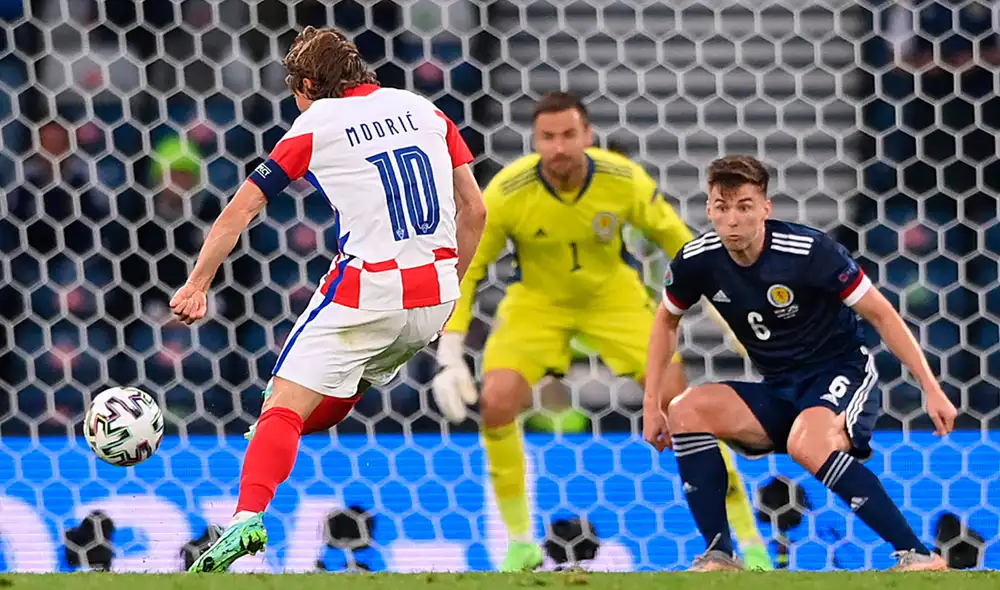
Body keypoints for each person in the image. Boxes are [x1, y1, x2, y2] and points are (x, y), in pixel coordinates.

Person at [169, 26, 487, 572]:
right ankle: (276, 432)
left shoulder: (314, 122)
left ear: (309, 84)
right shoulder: (425, 109)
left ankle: (247, 514)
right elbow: (475, 210)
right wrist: (453, 281)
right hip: (435, 293)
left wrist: (197, 283)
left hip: (370, 286)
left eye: (294, 88)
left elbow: (242, 208)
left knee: (283, 403)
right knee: (346, 379)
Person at [431, 92, 772, 571]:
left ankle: (747, 542)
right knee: (497, 400)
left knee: (684, 408)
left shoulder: (622, 179)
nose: (559, 147)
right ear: (535, 141)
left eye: (569, 135)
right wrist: (449, 351)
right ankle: (520, 544)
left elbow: (682, 245)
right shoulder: (508, 191)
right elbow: (470, 269)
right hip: (537, 304)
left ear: (587, 136)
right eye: (548, 137)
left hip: (614, 299)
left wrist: (736, 317)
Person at [644, 155, 958, 572]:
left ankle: (917, 553)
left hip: (840, 372)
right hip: (779, 387)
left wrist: (930, 388)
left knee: (806, 443)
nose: (732, 220)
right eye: (722, 207)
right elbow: (666, 320)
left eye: (744, 206)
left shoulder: (809, 251)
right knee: (686, 409)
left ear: (765, 209)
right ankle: (719, 555)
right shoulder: (696, 260)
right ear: (709, 210)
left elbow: (881, 314)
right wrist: (652, 404)